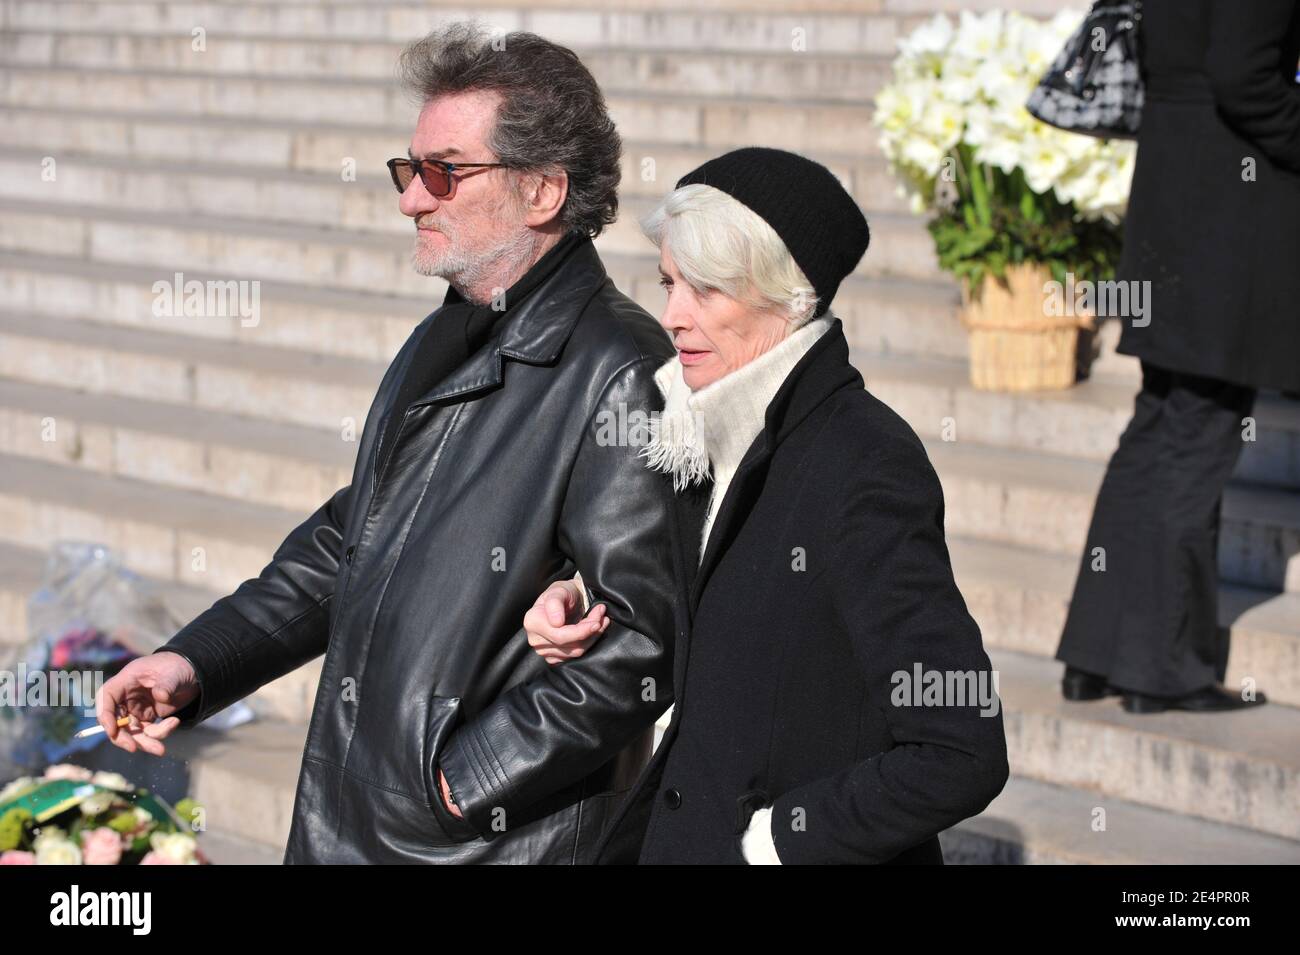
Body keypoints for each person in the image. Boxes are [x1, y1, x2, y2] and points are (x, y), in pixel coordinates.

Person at [93, 23, 682, 864]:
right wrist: (197, 662)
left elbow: (640, 641)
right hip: (355, 819)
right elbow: (353, 539)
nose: (411, 198)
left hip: (478, 842)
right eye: (408, 171)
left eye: (443, 172)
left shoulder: (619, 370)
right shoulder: (446, 336)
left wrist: (458, 781)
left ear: (544, 190)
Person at [525, 148, 1010, 864]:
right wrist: (577, 588)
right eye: (668, 284)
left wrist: (783, 837)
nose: (673, 317)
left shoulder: (863, 463)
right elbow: (704, 584)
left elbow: (961, 745)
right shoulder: (699, 423)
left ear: (789, 298)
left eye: (707, 291)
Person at [1057, 0, 1300, 714]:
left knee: (1159, 425)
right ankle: (1162, 669)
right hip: (1228, 209)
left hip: (1177, 192)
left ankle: (1095, 655)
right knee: (1197, 429)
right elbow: (1244, 75)